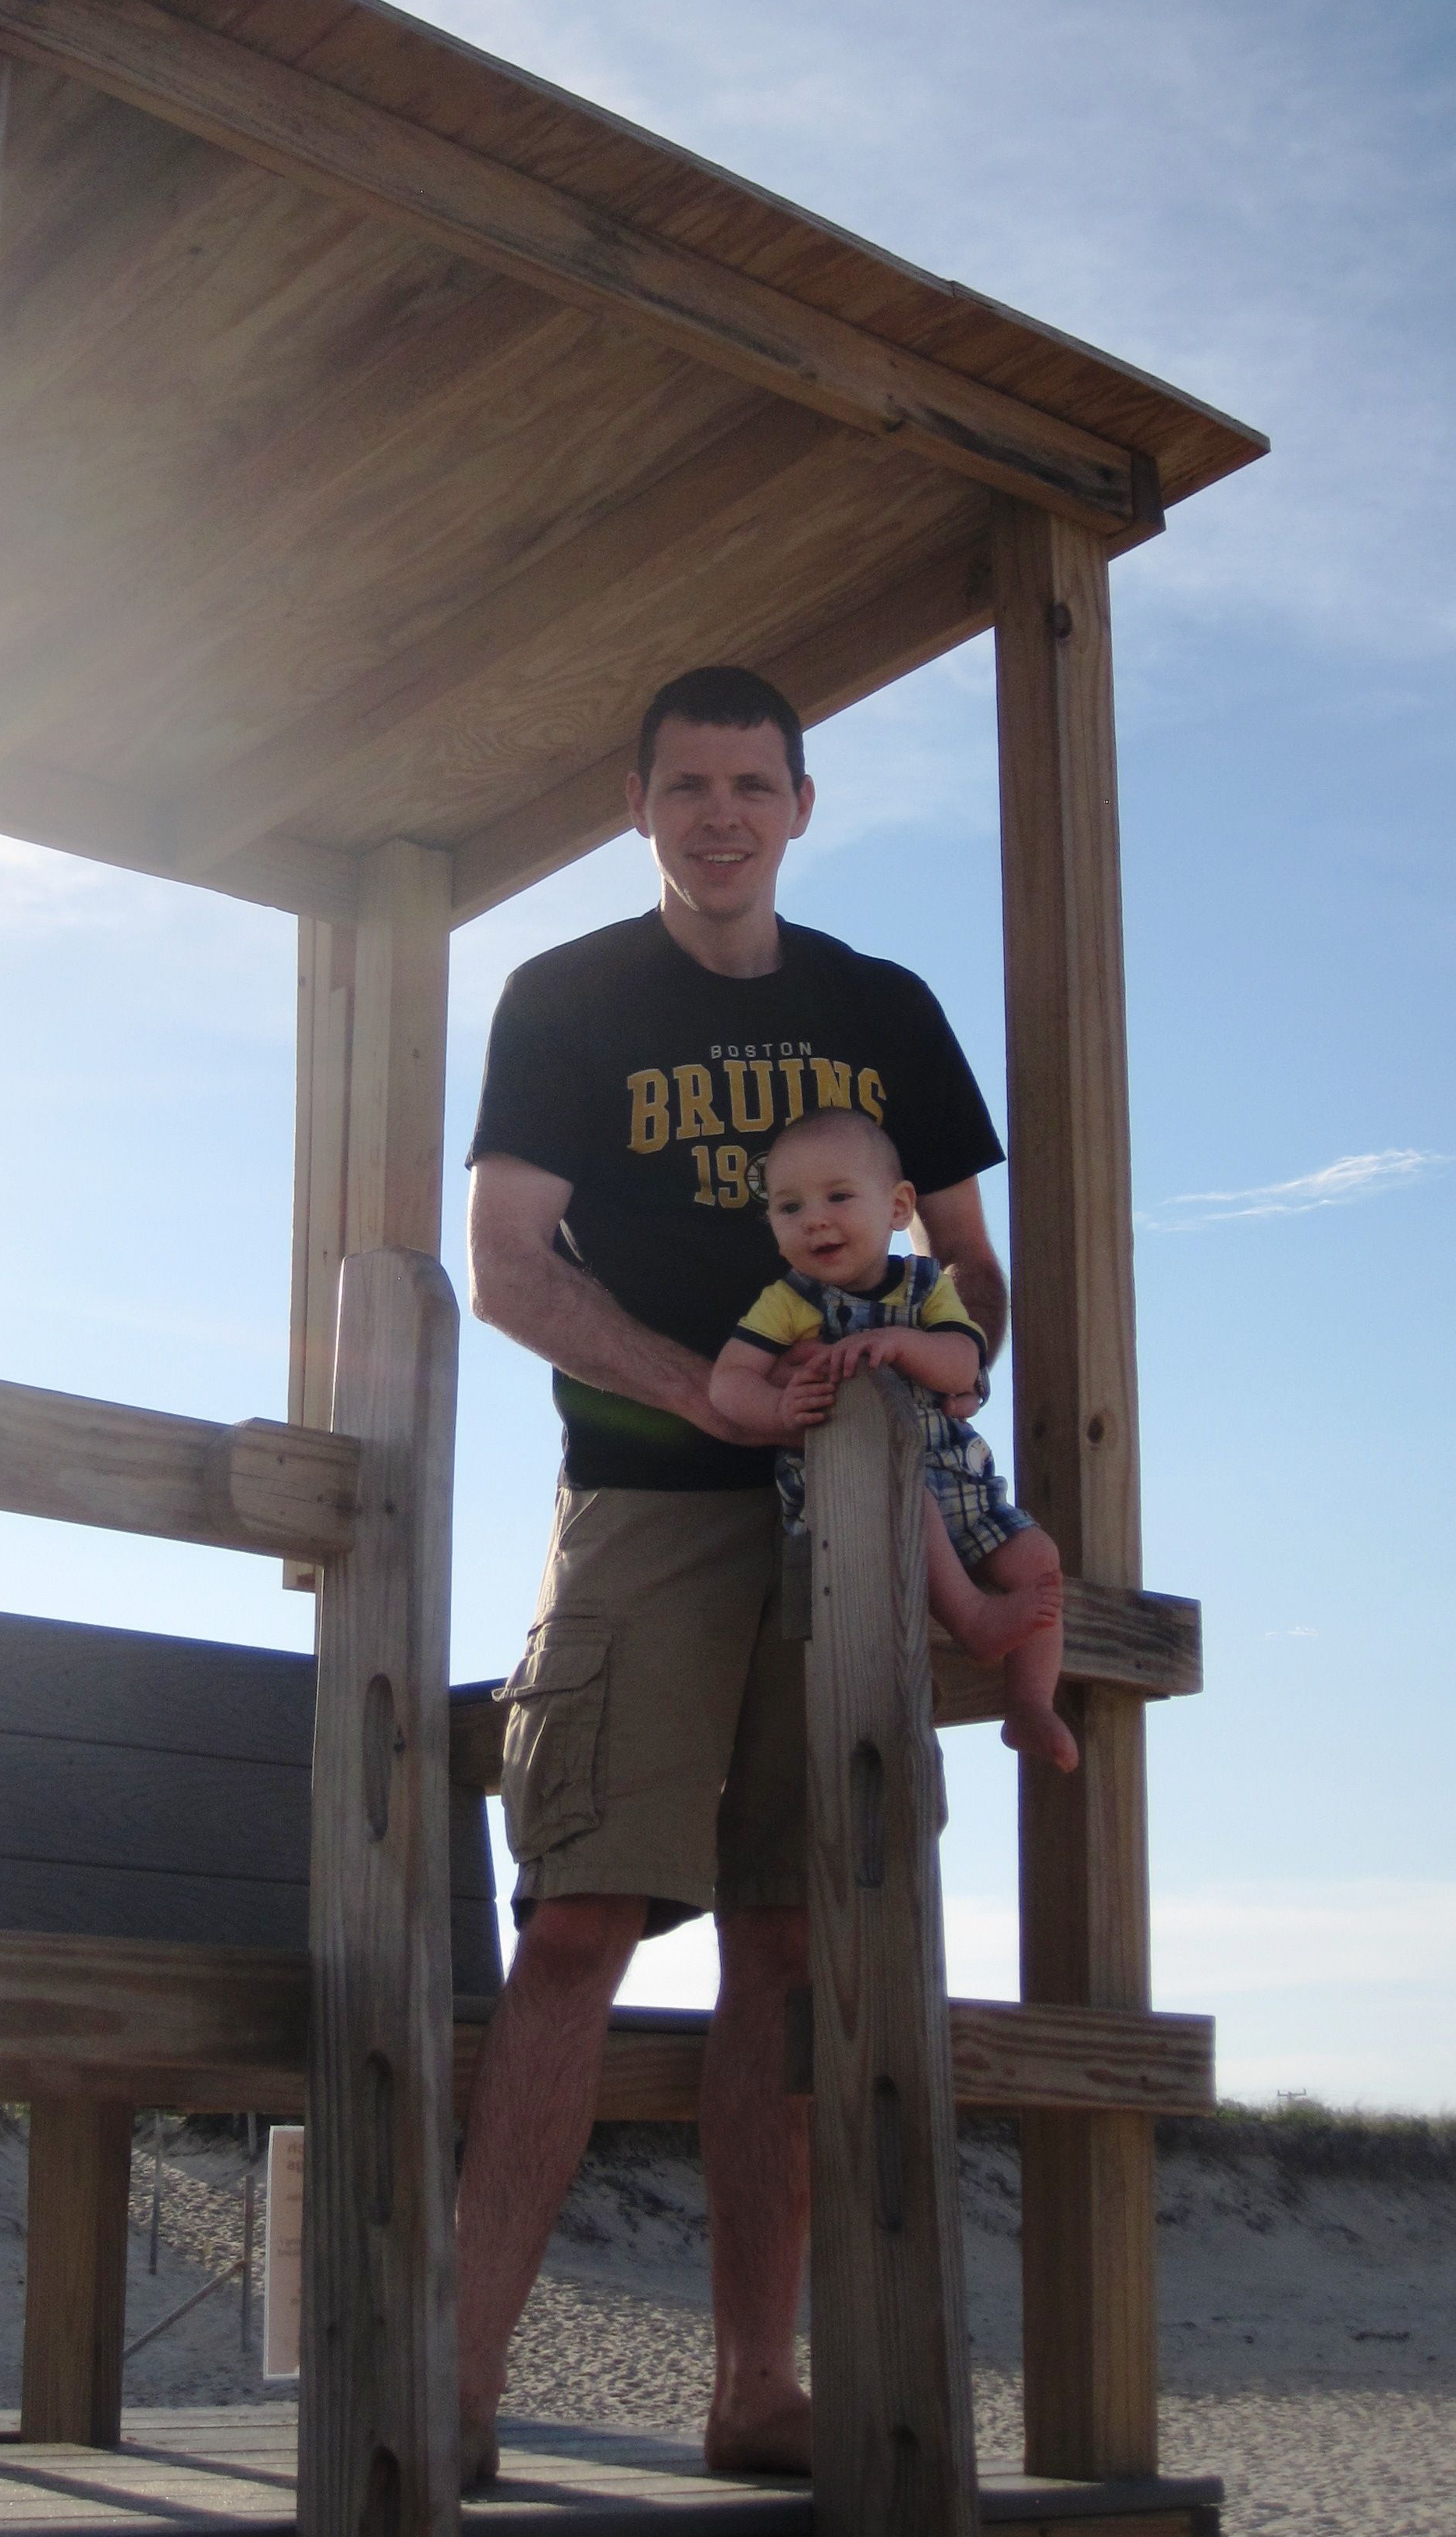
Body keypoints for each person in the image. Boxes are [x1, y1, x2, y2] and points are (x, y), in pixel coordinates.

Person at [456, 663, 1022, 2485]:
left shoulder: (883, 1005)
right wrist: (698, 1380)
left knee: (787, 1937)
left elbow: (972, 1264)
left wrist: (914, 1372)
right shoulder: (565, 995)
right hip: (646, 1496)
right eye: (686, 785)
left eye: (751, 784)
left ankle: (752, 2384)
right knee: (575, 1922)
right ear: (637, 807)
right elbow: (507, 1262)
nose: (720, 815)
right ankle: (453, 2378)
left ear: (801, 804)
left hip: (849, 1524)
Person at [708, 1105, 1075, 1770]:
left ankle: (1029, 1704)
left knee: (1038, 1557)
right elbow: (729, 1383)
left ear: (899, 1208)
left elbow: (962, 1363)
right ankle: (971, 1618)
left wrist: (903, 1344)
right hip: (851, 1495)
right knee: (908, 1496)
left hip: (958, 1479)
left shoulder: (926, 1288)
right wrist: (781, 1410)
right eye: (789, 1207)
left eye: (838, 1197)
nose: (814, 1219)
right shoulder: (788, 1302)